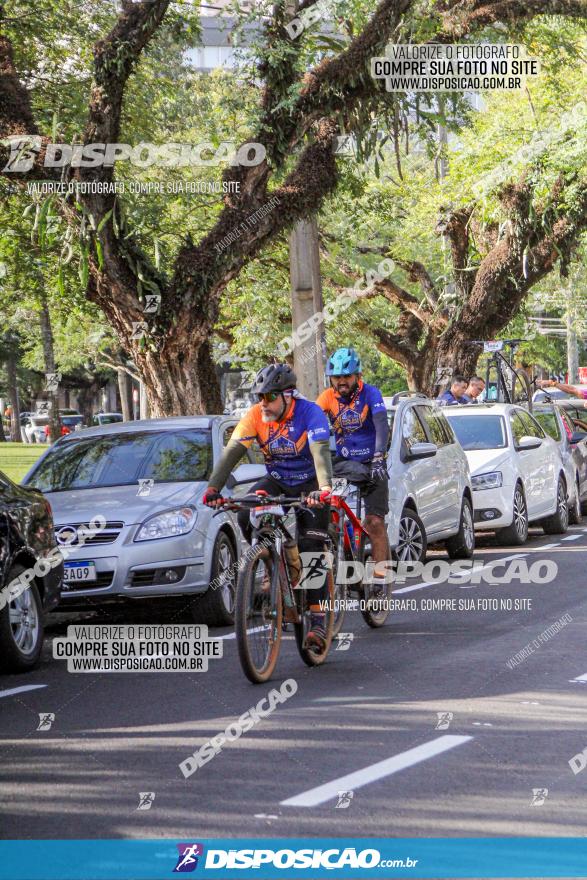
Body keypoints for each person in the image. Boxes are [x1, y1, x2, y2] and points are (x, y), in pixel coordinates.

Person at [203, 363, 333, 651]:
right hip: (277, 480)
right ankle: (269, 564)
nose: (263, 404)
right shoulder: (255, 416)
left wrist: (324, 489)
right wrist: (213, 488)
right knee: (245, 511)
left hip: (310, 483)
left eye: (270, 397)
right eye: (259, 397)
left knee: (312, 549)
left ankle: (318, 618)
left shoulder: (310, 413)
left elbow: (320, 453)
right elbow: (231, 453)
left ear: (288, 395)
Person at [316, 347, 390, 581]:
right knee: (328, 511)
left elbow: (381, 426)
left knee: (375, 522)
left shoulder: (371, 393)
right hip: (344, 462)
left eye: (346, 376)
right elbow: (312, 425)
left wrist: (379, 456)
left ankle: (380, 577)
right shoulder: (327, 397)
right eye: (337, 377)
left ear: (357, 376)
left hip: (372, 462)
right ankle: (343, 548)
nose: (341, 382)